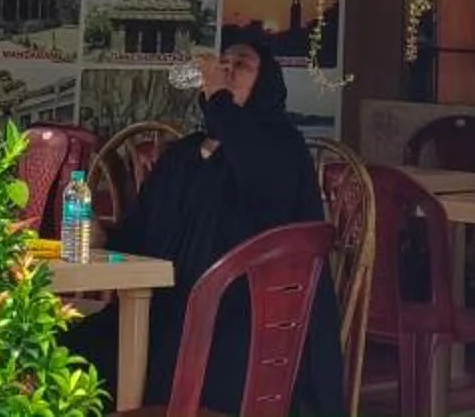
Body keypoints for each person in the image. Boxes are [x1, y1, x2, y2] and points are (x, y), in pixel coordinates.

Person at [73, 38, 348, 414]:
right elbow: (142, 238)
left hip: (242, 323)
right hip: (165, 312)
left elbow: (260, 177)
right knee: (70, 350)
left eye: (242, 65)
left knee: (172, 358)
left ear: (265, 83)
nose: (227, 71)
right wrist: (104, 236)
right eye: (223, 63)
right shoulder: (184, 155)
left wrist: (219, 97)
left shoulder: (281, 148)